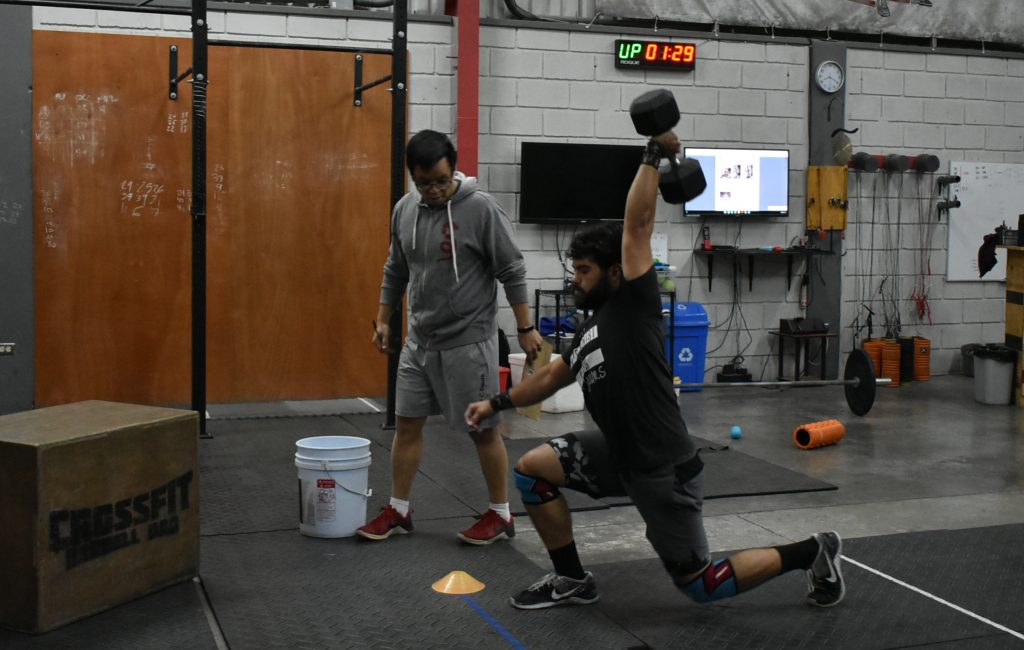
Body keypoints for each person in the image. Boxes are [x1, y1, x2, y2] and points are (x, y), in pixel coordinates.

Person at [465, 130, 845, 609]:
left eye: (584, 271)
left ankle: (814, 551)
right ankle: (572, 579)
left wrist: (653, 154)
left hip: (664, 472)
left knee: (701, 585)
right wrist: (496, 402)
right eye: (574, 270)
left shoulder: (634, 305)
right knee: (532, 471)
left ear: (615, 273)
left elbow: (637, 226)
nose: (574, 280)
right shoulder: (588, 332)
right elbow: (548, 377)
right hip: (621, 457)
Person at [360, 129, 544, 545]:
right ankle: (399, 509)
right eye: (425, 184)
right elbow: (396, 268)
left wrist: (526, 327)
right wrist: (384, 318)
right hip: (420, 341)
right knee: (406, 425)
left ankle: (500, 514)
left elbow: (511, 269)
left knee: (483, 430)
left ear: (454, 169)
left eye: (442, 181)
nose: (435, 191)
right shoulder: (405, 209)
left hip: (468, 342)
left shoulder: (480, 209)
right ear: (413, 178)